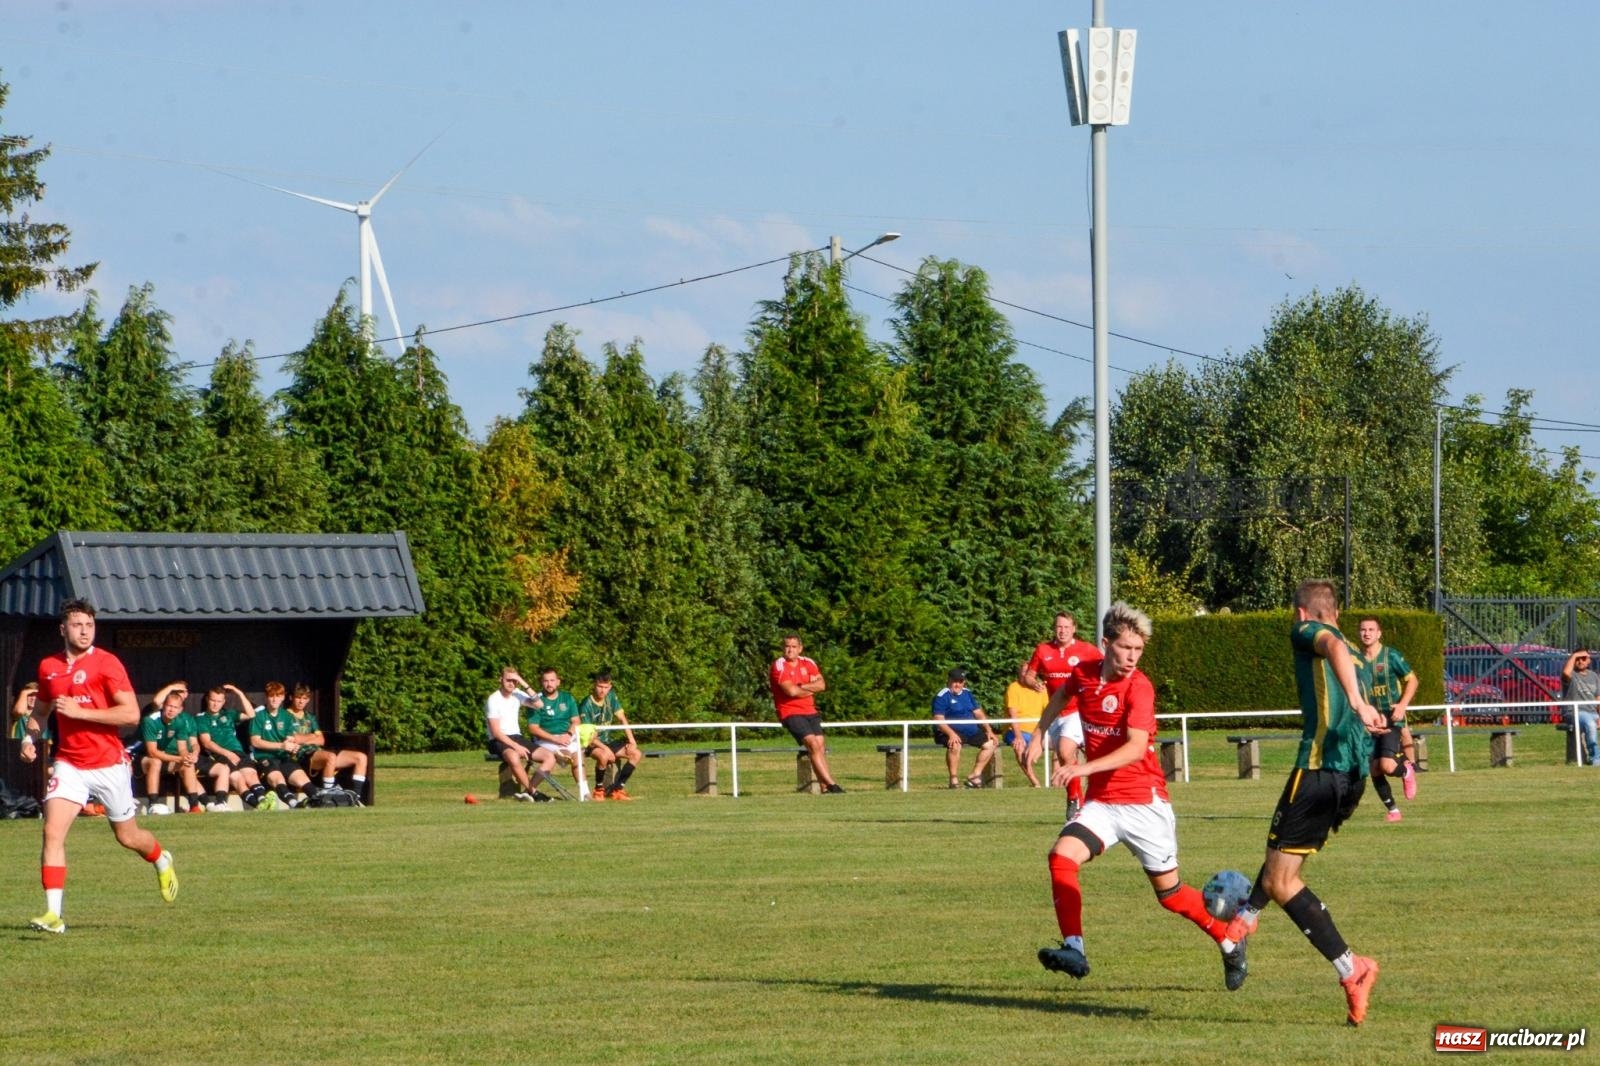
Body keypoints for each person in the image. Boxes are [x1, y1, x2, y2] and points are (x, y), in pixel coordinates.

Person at [1031, 603, 1246, 992]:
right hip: (1102, 804)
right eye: (1125, 647)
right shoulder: (1084, 673)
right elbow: (1061, 697)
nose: (1131, 657)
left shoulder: (1139, 687)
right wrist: (1037, 735)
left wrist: (1080, 768)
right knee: (1061, 857)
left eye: (1138, 650)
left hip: (1143, 804)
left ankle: (1230, 938)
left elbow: (1134, 749)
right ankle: (1074, 948)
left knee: (1172, 895)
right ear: (1105, 643)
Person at [1220, 579, 1389, 1027]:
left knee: (1281, 880)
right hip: (1348, 779)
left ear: (1302, 613)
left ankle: (1353, 969)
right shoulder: (1358, 651)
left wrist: (1354, 701)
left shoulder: (1308, 632)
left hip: (1317, 768)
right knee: (1281, 865)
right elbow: (1340, 648)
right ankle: (1245, 920)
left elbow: (1327, 641)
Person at [19, 598, 177, 934]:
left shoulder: (107, 663)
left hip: (108, 763)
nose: (85, 631)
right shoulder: (49, 666)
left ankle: (162, 859)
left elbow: (131, 715)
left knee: (128, 837)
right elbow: (41, 712)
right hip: (69, 763)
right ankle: (54, 915)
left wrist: (81, 713)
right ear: (63, 629)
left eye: (90, 625)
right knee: (51, 832)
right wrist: (30, 739)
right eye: (78, 625)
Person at [1027, 612, 1098, 816]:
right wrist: (1034, 683)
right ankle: (1077, 800)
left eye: (1067, 627)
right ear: (1054, 628)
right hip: (1057, 712)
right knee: (1063, 754)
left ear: (1074, 628)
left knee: (1066, 750)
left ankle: (1075, 800)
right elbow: (1029, 675)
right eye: (1059, 627)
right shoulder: (1043, 650)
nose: (1062, 631)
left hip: (1079, 711)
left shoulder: (1087, 650)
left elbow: (1105, 668)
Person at [1357, 617, 1419, 820]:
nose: (1366, 633)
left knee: (1385, 765)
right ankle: (1393, 811)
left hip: (1391, 718)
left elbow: (1412, 680)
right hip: (1369, 722)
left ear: (1379, 633)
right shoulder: (1356, 660)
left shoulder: (1391, 656)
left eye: (1371, 629)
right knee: (1373, 769)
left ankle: (1406, 770)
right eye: (1363, 630)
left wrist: (1402, 705)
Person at [769, 634, 843, 794]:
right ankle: (832, 785)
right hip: (790, 712)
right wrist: (808, 688)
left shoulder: (808, 662)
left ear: (800, 649)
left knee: (820, 745)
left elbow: (822, 685)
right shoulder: (779, 665)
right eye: (787, 646)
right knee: (812, 744)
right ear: (783, 648)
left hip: (810, 710)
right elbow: (790, 691)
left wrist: (801, 686)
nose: (790, 650)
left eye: (794, 646)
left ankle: (824, 787)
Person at [286, 684, 369, 799]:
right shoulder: (284, 716)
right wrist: (311, 737)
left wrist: (303, 738)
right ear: (291, 698)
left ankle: (356, 797)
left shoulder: (310, 717)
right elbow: (294, 738)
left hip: (318, 751)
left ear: (308, 700)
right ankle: (328, 796)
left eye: (304, 698)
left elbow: (321, 740)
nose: (301, 702)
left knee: (361, 757)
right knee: (330, 757)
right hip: (301, 756)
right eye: (298, 698)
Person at [485, 667, 555, 802]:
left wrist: (523, 682)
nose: (512, 684)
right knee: (513, 756)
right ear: (500, 680)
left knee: (549, 757)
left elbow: (539, 704)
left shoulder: (517, 693)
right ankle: (534, 793)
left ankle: (528, 790)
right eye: (508, 680)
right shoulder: (493, 700)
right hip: (498, 739)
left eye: (514, 681)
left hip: (516, 736)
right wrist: (516, 747)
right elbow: (496, 732)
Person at [138, 682, 207, 816]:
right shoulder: (150, 720)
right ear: (163, 705)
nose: (171, 710)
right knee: (155, 761)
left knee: (188, 764)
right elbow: (152, 752)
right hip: (143, 759)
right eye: (169, 706)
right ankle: (153, 804)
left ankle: (194, 806)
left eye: (175, 707)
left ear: (180, 709)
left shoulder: (180, 722)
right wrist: (179, 758)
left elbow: (182, 748)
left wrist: (187, 756)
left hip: (165, 758)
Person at [195, 684, 267, 809]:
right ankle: (258, 806)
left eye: (219, 701)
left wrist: (239, 693)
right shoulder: (201, 718)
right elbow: (207, 743)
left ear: (223, 702)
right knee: (237, 778)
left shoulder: (228, 714)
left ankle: (263, 800)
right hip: (220, 755)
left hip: (238, 752)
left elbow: (251, 715)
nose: (215, 704)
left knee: (251, 775)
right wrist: (228, 753)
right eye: (213, 700)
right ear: (207, 699)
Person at [578, 671, 642, 802]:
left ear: (610, 687)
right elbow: (589, 737)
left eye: (606, 687)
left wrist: (632, 741)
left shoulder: (611, 697)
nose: (602, 690)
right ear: (594, 685)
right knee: (604, 755)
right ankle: (598, 789)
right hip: (591, 743)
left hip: (607, 741)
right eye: (600, 686)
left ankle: (618, 789)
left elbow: (622, 719)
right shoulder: (586, 705)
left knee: (636, 753)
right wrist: (606, 749)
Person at [931, 669, 1000, 789]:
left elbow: (978, 713)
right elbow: (938, 719)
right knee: (955, 744)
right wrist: (951, 734)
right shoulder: (942, 696)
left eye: (961, 681)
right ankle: (953, 779)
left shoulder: (968, 693)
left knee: (991, 743)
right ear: (948, 681)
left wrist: (989, 730)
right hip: (949, 730)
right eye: (955, 681)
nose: (958, 684)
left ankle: (975, 775)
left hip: (971, 730)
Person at [250, 681, 314, 808]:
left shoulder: (286, 716)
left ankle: (320, 801)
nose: (274, 699)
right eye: (271, 696)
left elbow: (289, 738)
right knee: (278, 779)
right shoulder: (258, 715)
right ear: (266, 697)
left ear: (283, 697)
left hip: (283, 757)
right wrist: (281, 746)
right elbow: (255, 741)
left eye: (278, 696)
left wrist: (293, 746)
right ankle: (294, 804)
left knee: (303, 780)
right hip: (264, 757)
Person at [525, 668, 586, 798]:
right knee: (563, 754)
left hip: (567, 736)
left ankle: (585, 794)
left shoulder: (567, 698)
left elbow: (576, 721)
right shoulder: (536, 701)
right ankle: (530, 791)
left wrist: (568, 734)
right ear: (541, 682)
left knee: (578, 757)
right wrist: (555, 739)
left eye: (552, 680)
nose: (549, 684)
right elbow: (533, 728)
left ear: (558, 682)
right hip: (546, 739)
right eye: (546, 681)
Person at [1002, 664, 1048, 788]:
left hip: (1038, 731)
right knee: (1019, 746)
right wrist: (1018, 736)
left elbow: (1048, 711)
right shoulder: (1014, 688)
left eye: (1029, 672)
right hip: (1018, 730)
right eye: (1024, 672)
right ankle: (1035, 782)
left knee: (1064, 745)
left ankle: (1056, 782)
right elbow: (1013, 714)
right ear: (1019, 674)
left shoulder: (1041, 689)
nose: (1026, 675)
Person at [1560, 649, 1599, 765]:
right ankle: (1596, 758)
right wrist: (1575, 655)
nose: (1580, 661)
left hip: (1592, 712)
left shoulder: (1594, 676)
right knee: (1590, 724)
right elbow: (1566, 673)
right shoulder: (1571, 675)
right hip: (1575, 712)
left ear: (1589, 661)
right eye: (1578, 659)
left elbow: (1598, 698)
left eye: (1583, 658)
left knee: (1591, 722)